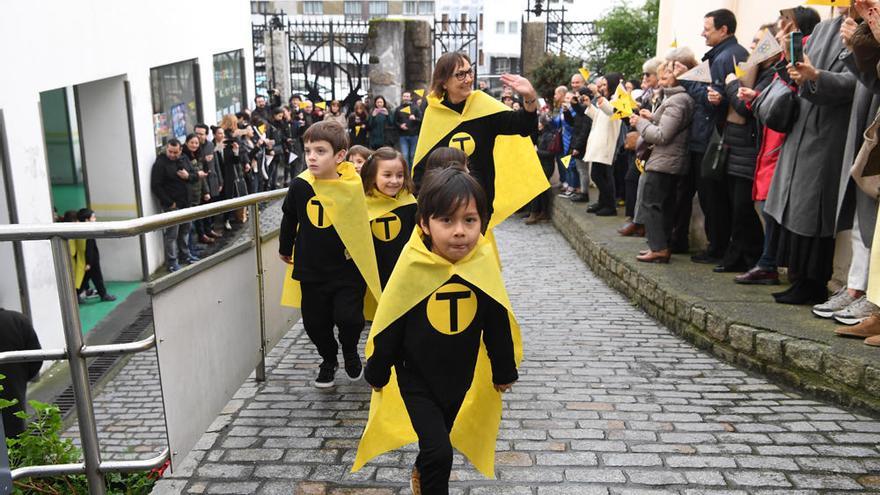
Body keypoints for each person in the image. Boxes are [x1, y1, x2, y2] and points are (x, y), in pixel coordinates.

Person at [355, 167, 520, 494]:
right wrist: (377, 369)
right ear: (424, 224)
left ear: (482, 223)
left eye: (470, 220)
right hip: (415, 377)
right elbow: (392, 322)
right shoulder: (414, 266)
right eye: (447, 221)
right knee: (440, 451)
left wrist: (503, 369)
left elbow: (496, 321)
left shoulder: (480, 265)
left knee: (438, 443)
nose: (460, 231)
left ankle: (422, 471)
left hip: (460, 377)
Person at [278, 120, 382, 388]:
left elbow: (365, 219)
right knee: (314, 323)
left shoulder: (353, 186)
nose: (312, 156)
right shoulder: (300, 186)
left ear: (339, 156)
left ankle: (349, 350)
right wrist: (284, 247)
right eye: (308, 150)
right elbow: (290, 217)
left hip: (347, 268)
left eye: (320, 151)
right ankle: (328, 358)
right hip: (311, 270)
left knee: (350, 318)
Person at [765, 9, 856, 305]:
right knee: (794, 207)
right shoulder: (823, 28)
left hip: (830, 133)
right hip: (803, 126)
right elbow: (801, 71)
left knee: (814, 211)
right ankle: (799, 277)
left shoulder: (864, 30)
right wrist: (791, 65)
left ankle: (814, 282)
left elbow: (857, 83)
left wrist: (816, 76)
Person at [412, 52, 546, 226]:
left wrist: (529, 97)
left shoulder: (483, 106)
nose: (468, 79)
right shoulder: (434, 112)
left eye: (469, 72)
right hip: (442, 206)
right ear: (443, 82)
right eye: (460, 74)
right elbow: (424, 163)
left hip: (479, 203)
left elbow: (523, 126)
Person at [680, 9, 749, 263]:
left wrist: (688, 82)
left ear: (724, 30)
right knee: (712, 198)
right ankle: (718, 246)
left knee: (715, 199)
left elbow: (714, 102)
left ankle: (718, 247)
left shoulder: (729, 57)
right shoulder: (723, 55)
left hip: (714, 138)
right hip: (711, 137)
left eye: (707, 29)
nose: (702, 33)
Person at [631, 60, 696, 263]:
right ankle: (661, 245)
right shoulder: (678, 99)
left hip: (664, 161)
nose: (661, 78)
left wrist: (640, 124)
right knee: (664, 205)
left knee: (652, 203)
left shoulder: (677, 100)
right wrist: (651, 118)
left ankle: (658, 248)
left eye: (666, 73)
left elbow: (662, 136)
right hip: (668, 160)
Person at [361, 147, 417, 288]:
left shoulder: (409, 203)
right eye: (387, 175)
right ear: (373, 176)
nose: (395, 181)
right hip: (374, 274)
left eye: (400, 175)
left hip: (404, 273)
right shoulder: (362, 205)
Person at [150, 139, 200, 272]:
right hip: (172, 205)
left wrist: (187, 176)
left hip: (186, 202)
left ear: (180, 150)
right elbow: (156, 185)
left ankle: (185, 255)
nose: (172, 155)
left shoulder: (184, 159)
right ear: (166, 149)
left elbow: (195, 176)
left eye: (175, 152)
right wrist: (169, 202)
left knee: (185, 231)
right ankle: (172, 262)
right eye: (170, 152)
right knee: (172, 234)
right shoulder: (160, 163)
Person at [584, 74, 624, 216]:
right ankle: (603, 202)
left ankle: (610, 205)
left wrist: (597, 95)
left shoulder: (617, 100)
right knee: (599, 174)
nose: (602, 88)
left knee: (601, 176)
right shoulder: (607, 100)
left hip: (607, 143)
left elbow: (611, 112)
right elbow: (599, 116)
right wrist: (590, 106)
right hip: (599, 142)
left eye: (604, 85)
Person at [0, 308, 42, 438]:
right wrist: (21, 377)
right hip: (13, 390)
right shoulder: (18, 320)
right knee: (14, 435)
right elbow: (36, 357)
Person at [75, 209, 116, 302]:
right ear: (86, 220)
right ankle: (103, 295)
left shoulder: (81, 230)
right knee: (92, 279)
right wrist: (89, 263)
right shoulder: (87, 232)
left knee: (85, 279)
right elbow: (88, 249)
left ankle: (102, 294)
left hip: (89, 260)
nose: (95, 219)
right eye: (93, 217)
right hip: (90, 261)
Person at [394, 91, 422, 168]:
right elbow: (395, 121)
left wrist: (415, 118)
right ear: (402, 97)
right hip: (403, 136)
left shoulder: (416, 108)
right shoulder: (398, 109)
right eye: (404, 96)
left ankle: (412, 175)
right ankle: (406, 174)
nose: (406, 98)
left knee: (412, 156)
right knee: (405, 155)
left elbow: (421, 120)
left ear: (410, 98)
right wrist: (400, 126)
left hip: (414, 135)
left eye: (407, 96)